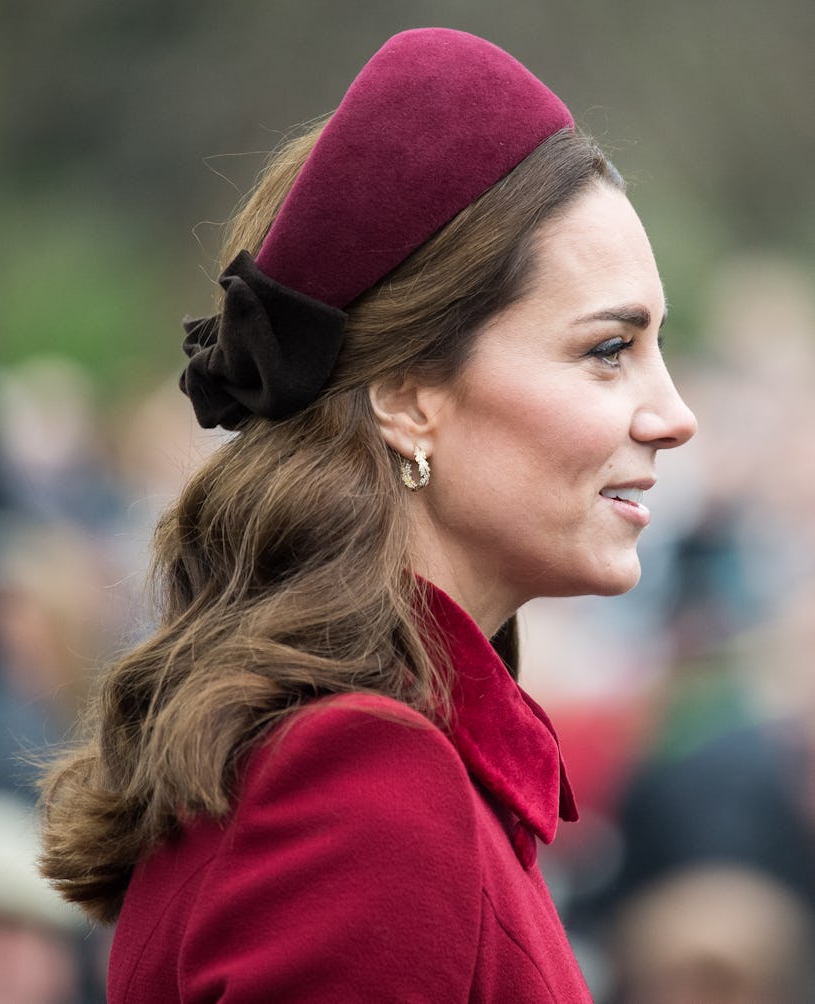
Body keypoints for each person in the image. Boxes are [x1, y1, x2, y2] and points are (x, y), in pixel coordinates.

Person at [38, 27, 696, 1003]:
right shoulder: (368, 779)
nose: (673, 415)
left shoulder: (371, 754)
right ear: (407, 392)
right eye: (608, 349)